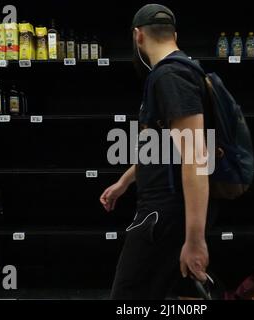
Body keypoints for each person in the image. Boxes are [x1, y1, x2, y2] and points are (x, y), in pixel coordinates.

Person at [100, 4, 216, 300]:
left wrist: (195, 239)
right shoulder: (176, 73)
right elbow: (161, 149)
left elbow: (195, 158)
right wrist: (124, 183)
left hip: (162, 214)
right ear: (174, 35)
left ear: (138, 36)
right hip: (162, 211)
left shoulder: (170, 77)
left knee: (126, 300)